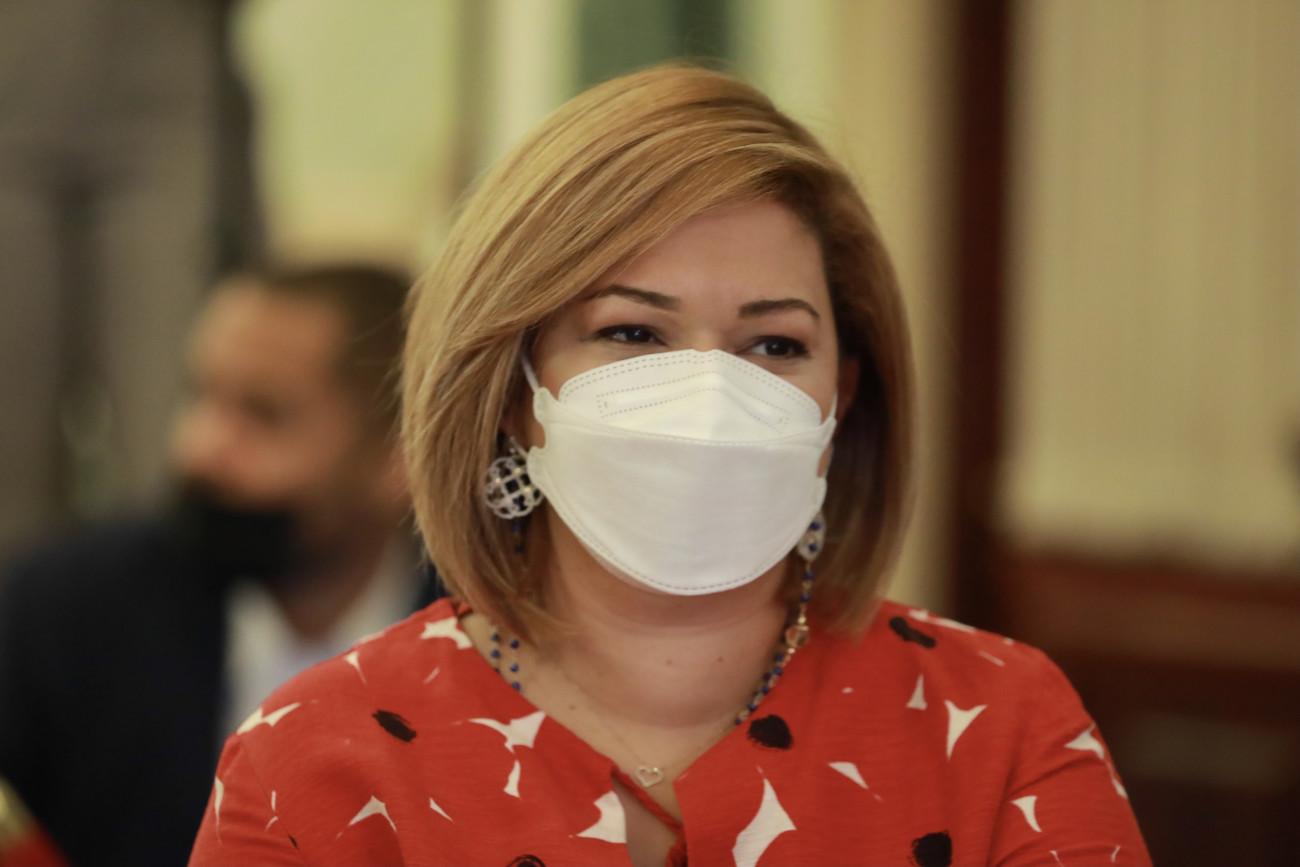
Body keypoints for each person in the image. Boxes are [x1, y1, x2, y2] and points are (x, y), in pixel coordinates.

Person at [189, 66, 1150, 867]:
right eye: (634, 333)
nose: (708, 397)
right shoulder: (316, 758)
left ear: (839, 400)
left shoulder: (996, 723)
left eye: (774, 345)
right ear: (514, 390)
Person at [0, 265, 441, 867]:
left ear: (399, 454)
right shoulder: (67, 610)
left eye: (264, 414)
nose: (200, 447)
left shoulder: (498, 645)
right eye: (200, 395)